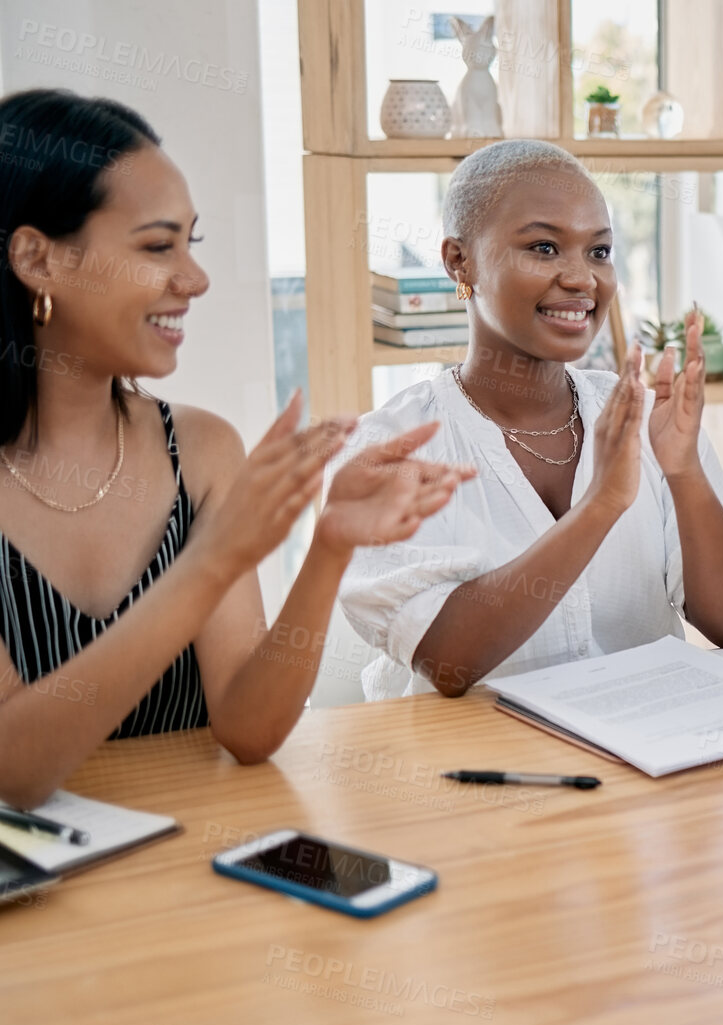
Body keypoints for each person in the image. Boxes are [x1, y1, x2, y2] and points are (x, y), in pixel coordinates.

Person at [0, 90, 470, 808]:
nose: (194, 279)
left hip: (190, 873)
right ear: (37, 258)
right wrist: (214, 560)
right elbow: (14, 772)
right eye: (158, 246)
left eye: (193, 243)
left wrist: (329, 544)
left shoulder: (201, 448)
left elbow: (249, 729)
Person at [333, 141, 723, 700]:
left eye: (599, 252)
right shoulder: (396, 448)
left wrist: (686, 472)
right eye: (544, 247)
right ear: (459, 261)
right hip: (470, 772)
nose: (581, 279)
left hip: (641, 754)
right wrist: (599, 508)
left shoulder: (647, 423)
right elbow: (448, 662)